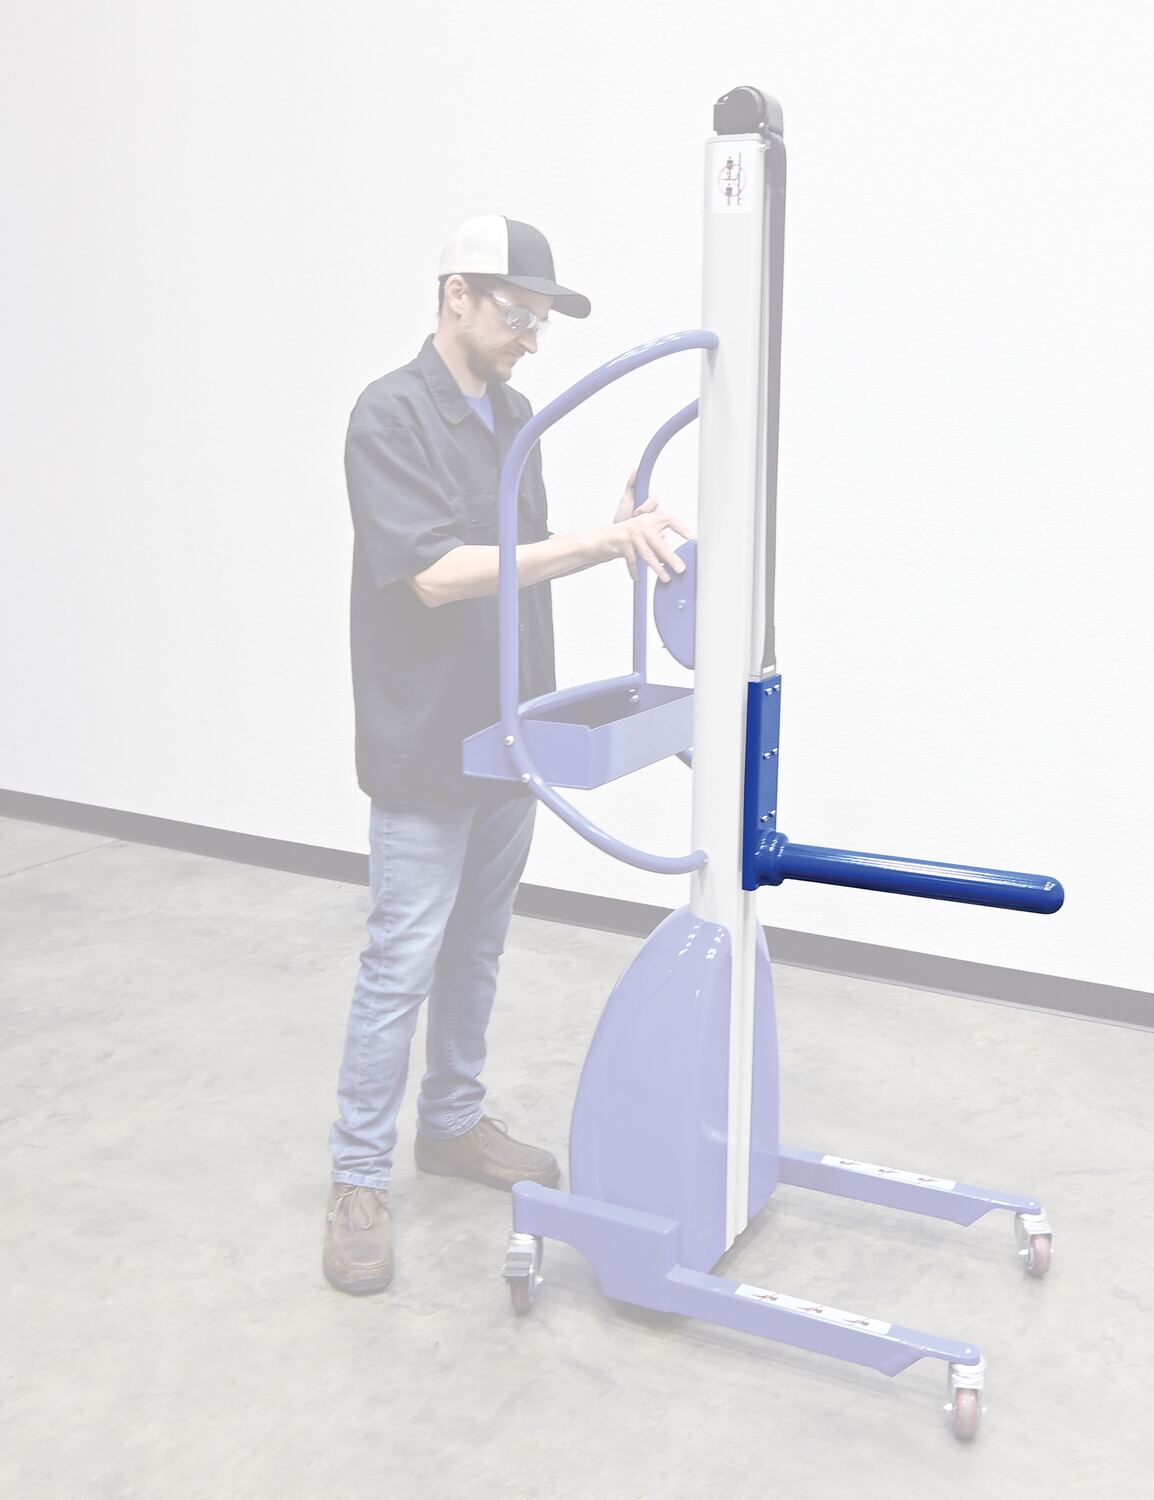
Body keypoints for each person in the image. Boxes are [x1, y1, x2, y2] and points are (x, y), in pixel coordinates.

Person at [324, 214, 693, 1295]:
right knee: (401, 962)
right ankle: (357, 1178)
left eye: (542, 321)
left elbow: (517, 562)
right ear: (456, 295)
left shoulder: (515, 416)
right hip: (426, 739)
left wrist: (605, 538)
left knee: (477, 947)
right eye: (518, 314)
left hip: (509, 734)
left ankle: (451, 1124)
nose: (532, 337)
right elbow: (436, 574)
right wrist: (588, 543)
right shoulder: (388, 415)